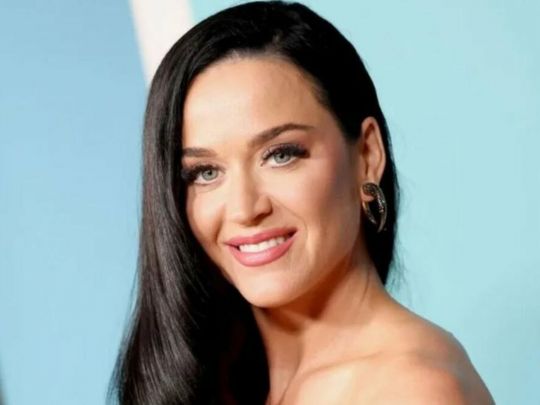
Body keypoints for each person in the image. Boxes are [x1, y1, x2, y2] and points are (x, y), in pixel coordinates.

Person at [109, 1, 495, 404]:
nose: (244, 209)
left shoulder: (411, 390)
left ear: (367, 155)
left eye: (281, 154)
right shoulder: (217, 378)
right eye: (205, 172)